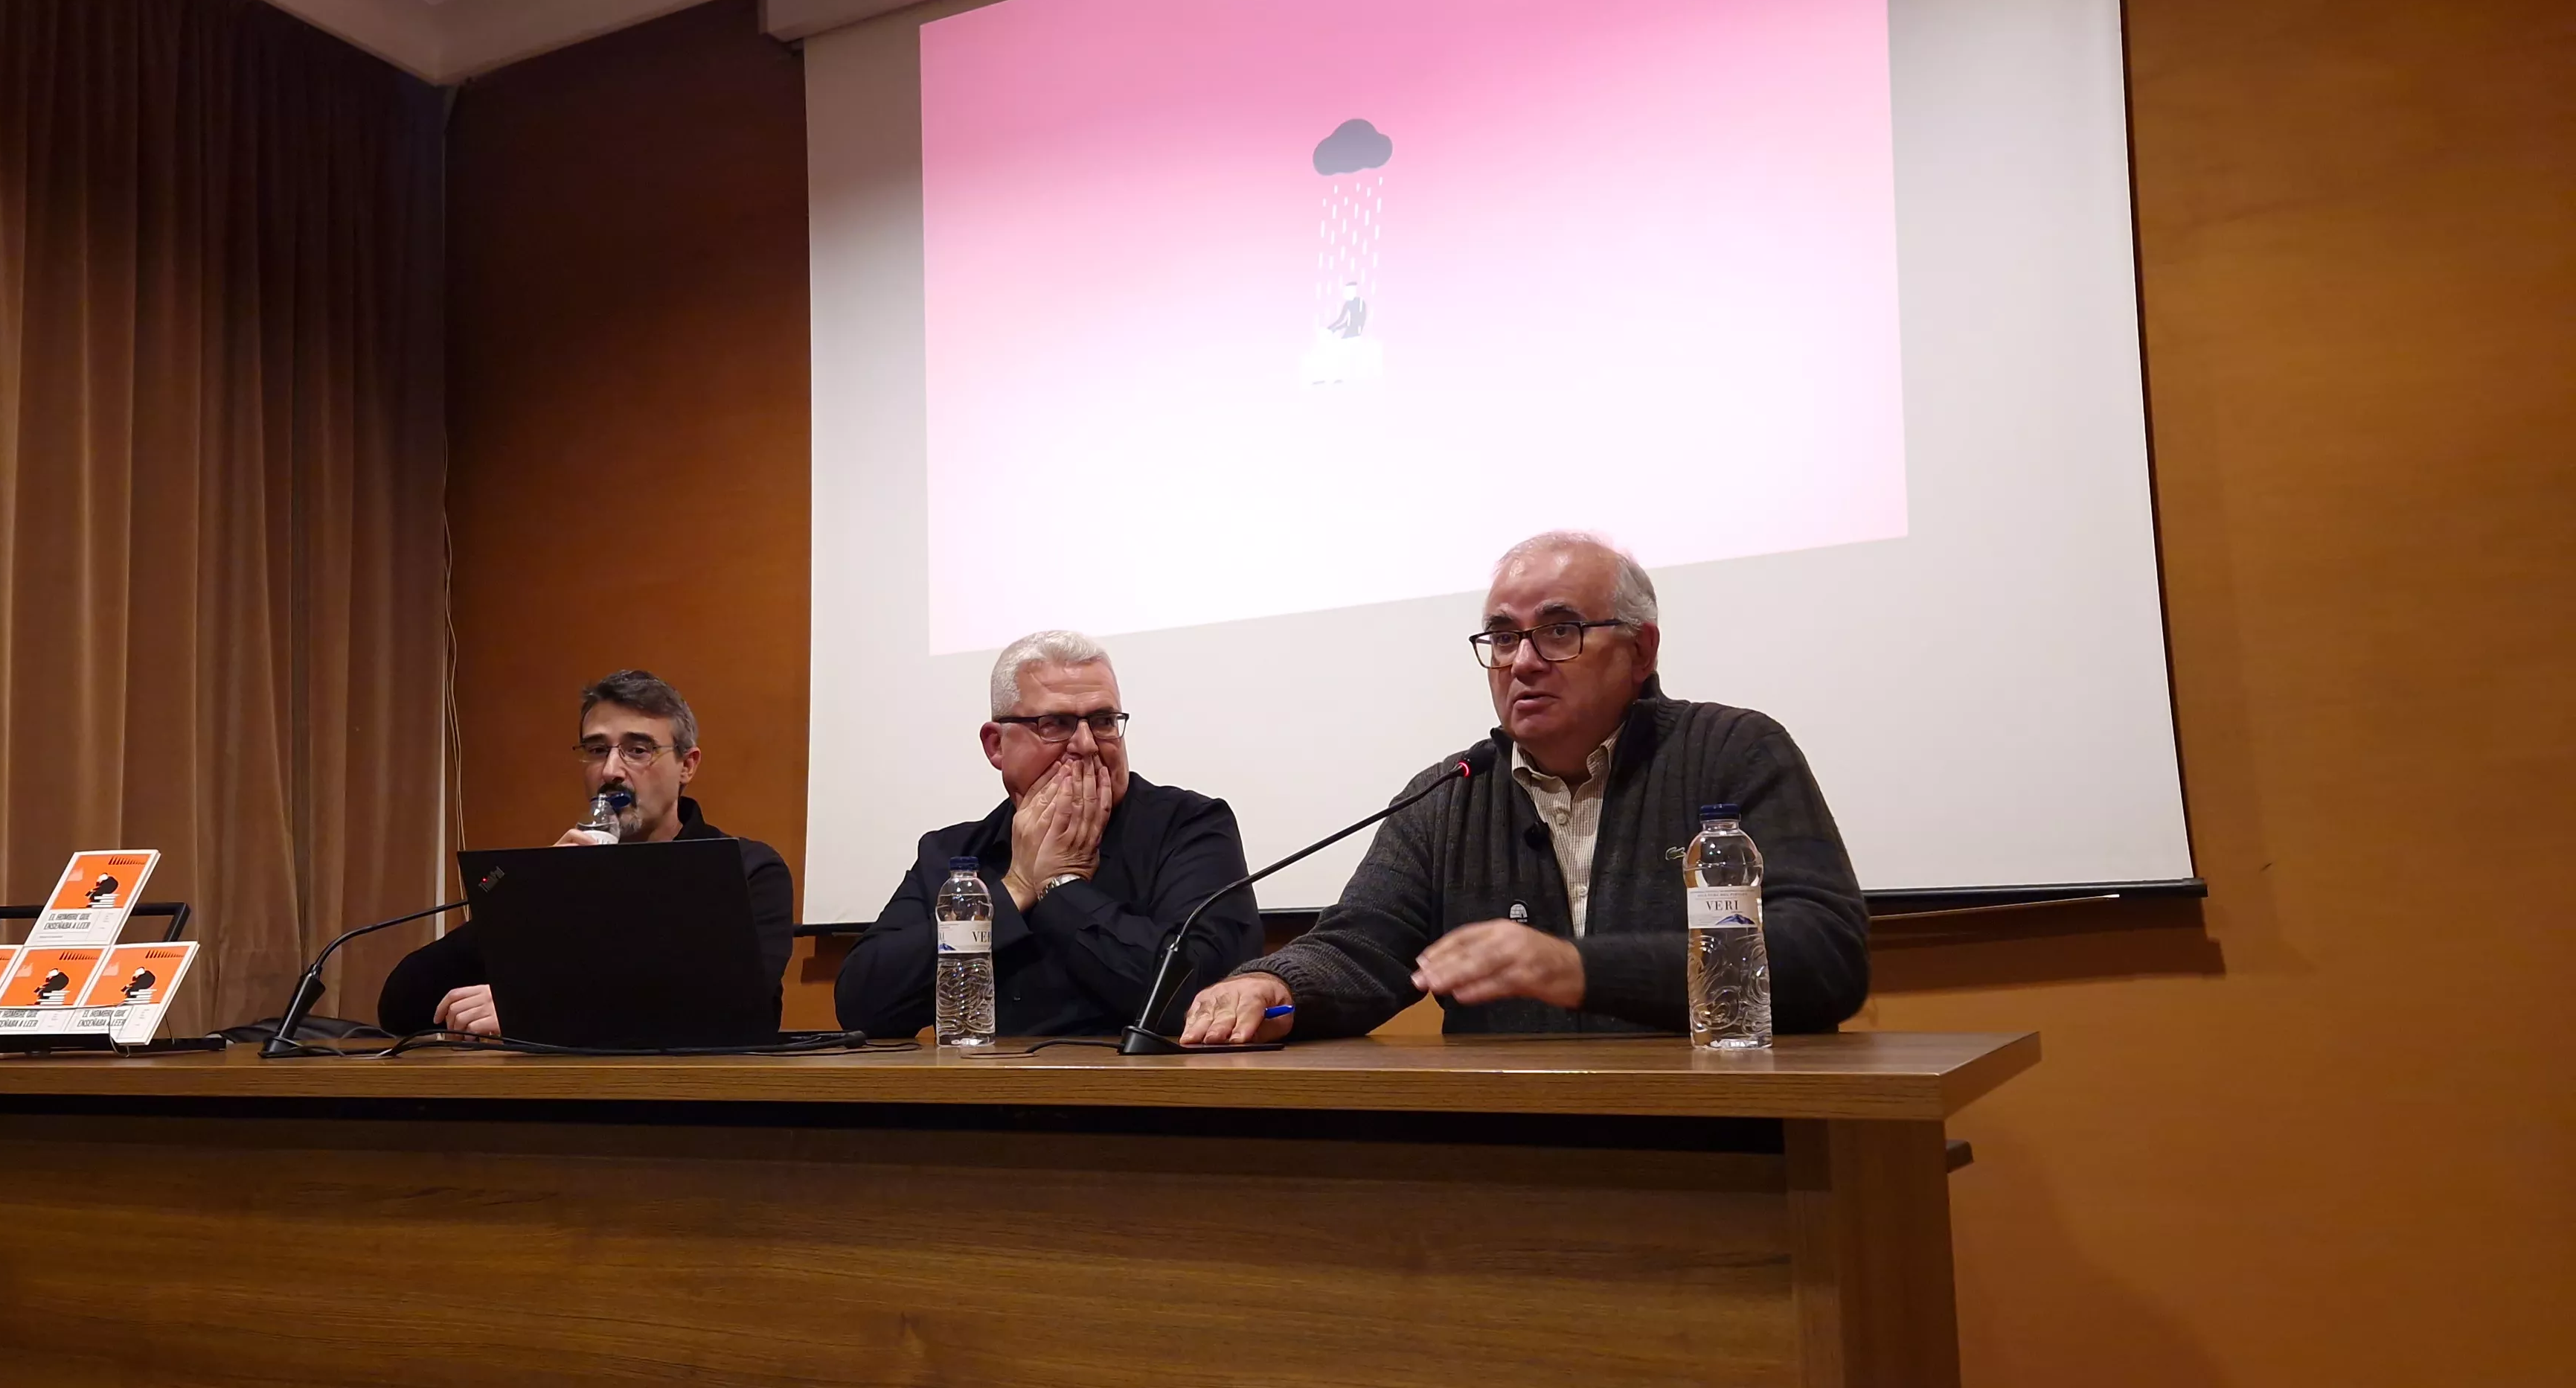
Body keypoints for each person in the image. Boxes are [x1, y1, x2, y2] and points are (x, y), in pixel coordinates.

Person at [1183, 531, 1868, 1044]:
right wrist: (1274, 983)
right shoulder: (1451, 795)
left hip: (1722, 1141)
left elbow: (1824, 956)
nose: (1523, 662)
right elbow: (1361, 947)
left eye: (1559, 631)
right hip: (1509, 1150)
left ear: (1641, 651)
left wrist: (1579, 969)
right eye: (1504, 638)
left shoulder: (1733, 753)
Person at [835, 630, 1259, 1039]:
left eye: (1104, 721)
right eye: (1055, 723)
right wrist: (1014, 889)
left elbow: (1203, 997)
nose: (1087, 745)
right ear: (996, 746)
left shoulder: (1190, 826)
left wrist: (1061, 885)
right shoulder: (952, 852)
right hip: (981, 1099)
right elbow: (864, 1005)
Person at [377, 669, 794, 1036]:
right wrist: (524, 902)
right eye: (597, 750)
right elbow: (401, 1007)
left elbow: (734, 1005)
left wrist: (535, 1010)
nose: (612, 771)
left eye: (638, 749)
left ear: (688, 765)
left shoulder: (746, 868)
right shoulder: (562, 880)